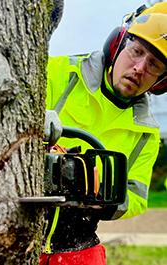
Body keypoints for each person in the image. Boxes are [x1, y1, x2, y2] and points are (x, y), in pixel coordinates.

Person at [38, 3, 166, 264]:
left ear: (162, 82)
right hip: (19, 228)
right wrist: (32, 118)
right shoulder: (58, 72)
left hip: (78, 242)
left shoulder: (146, 133)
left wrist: (106, 198)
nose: (139, 68)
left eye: (153, 65)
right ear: (117, 44)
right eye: (137, 51)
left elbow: (138, 198)